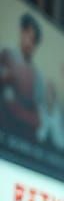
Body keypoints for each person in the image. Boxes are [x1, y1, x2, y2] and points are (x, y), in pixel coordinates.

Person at [0, 14, 45, 142]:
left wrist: (16, 108)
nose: (30, 43)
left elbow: (37, 119)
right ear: (21, 32)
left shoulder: (38, 77)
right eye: (28, 36)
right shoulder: (5, 56)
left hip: (22, 141)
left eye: (34, 41)